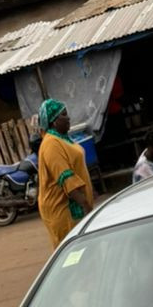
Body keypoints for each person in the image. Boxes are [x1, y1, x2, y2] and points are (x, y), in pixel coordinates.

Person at [36, 99, 94, 249]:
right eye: (64, 115)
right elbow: (65, 178)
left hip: (75, 203)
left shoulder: (63, 139)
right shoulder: (51, 144)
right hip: (64, 209)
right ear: (54, 121)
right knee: (75, 251)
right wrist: (86, 206)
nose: (68, 118)